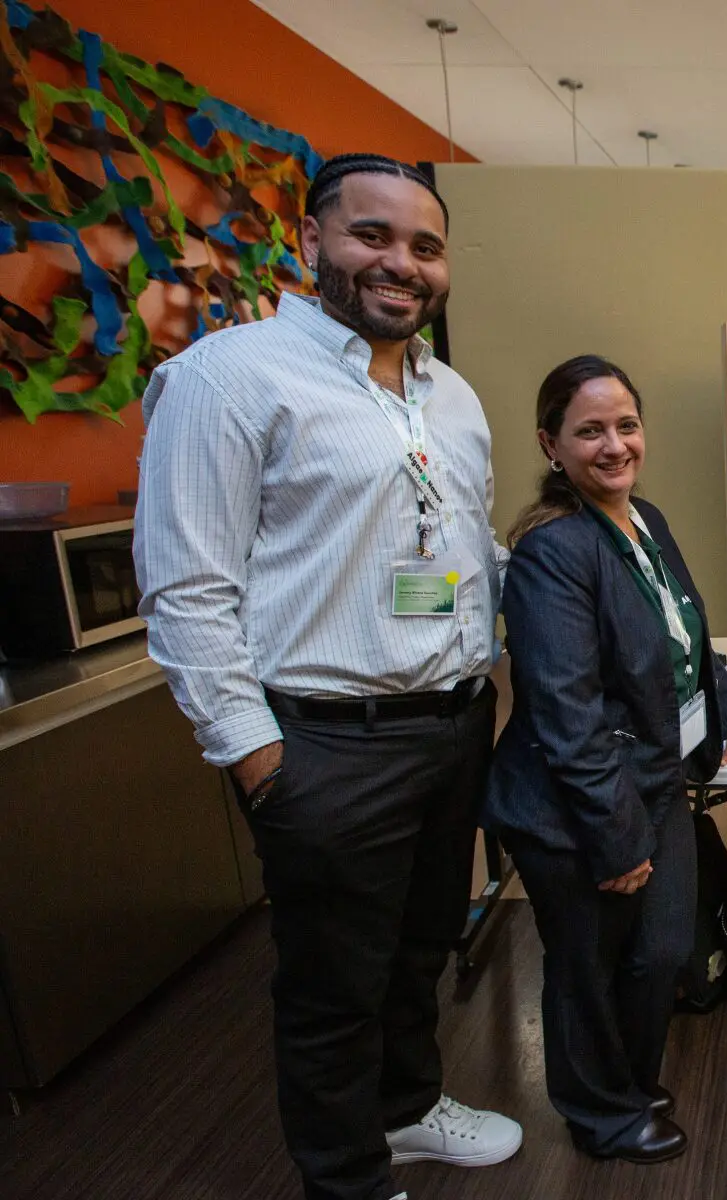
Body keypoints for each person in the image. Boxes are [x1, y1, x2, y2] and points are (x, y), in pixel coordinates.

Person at [135, 154, 521, 1200]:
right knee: (333, 985)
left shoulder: (454, 397)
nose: (401, 263)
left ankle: (403, 1111)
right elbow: (184, 591)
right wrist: (261, 761)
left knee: (420, 947)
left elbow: (455, 552)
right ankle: (345, 1178)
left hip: (448, 724)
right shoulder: (229, 377)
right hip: (323, 743)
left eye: (425, 247)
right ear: (312, 244)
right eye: (373, 236)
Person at [486, 355, 727, 1164]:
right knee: (588, 967)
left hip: (657, 781)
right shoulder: (554, 551)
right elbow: (564, 712)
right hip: (578, 804)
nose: (614, 445)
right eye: (590, 431)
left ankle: (629, 1084)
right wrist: (614, 843)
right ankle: (601, 1114)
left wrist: (724, 723)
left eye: (626, 425)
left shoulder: (642, 518)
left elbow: (686, 631)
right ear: (552, 445)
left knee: (657, 953)